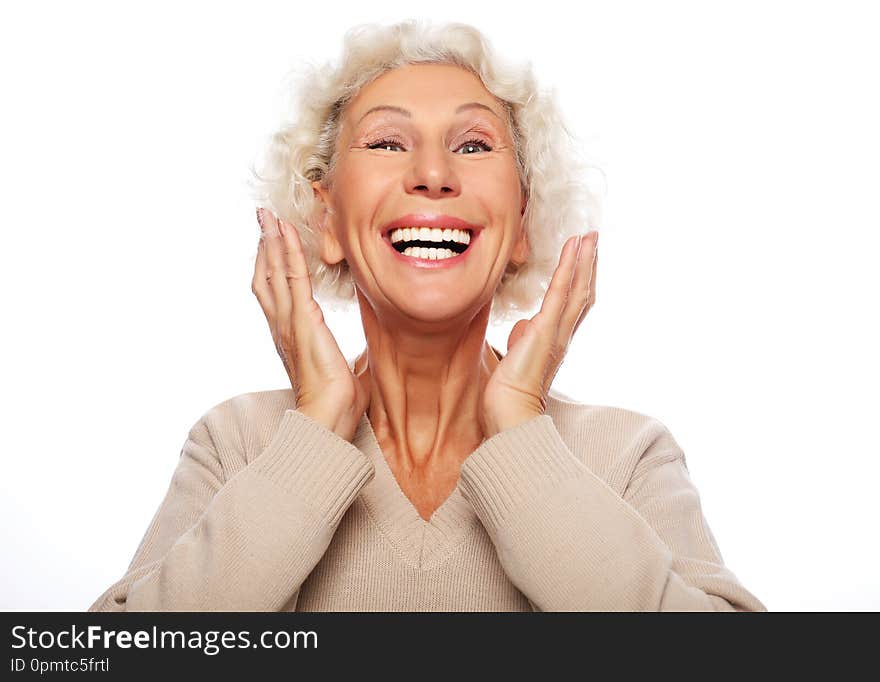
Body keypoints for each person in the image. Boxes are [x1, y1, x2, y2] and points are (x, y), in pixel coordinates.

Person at [88, 20, 766, 612]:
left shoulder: (624, 454)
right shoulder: (238, 443)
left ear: (523, 223)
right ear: (325, 217)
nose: (434, 173)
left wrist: (522, 427)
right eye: (386, 144)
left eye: (473, 146)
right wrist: (318, 425)